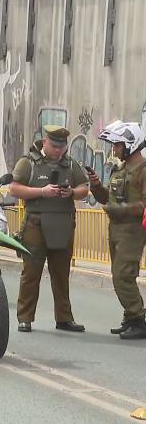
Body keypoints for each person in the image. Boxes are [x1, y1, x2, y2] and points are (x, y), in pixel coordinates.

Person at [9, 125, 89, 333]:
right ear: (45, 142)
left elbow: (84, 189)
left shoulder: (70, 165)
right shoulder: (29, 163)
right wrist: (42, 192)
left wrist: (71, 192)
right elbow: (14, 188)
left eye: (62, 147)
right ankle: (25, 318)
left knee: (61, 273)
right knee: (31, 272)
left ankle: (64, 318)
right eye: (54, 146)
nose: (58, 150)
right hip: (36, 222)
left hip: (63, 224)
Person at [88, 121, 146, 340]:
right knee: (121, 276)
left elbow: (144, 206)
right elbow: (107, 198)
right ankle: (131, 318)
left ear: (131, 144)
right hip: (116, 231)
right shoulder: (120, 170)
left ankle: (138, 320)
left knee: (123, 276)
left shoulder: (143, 170)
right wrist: (96, 186)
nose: (114, 150)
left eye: (118, 145)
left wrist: (119, 210)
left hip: (132, 232)